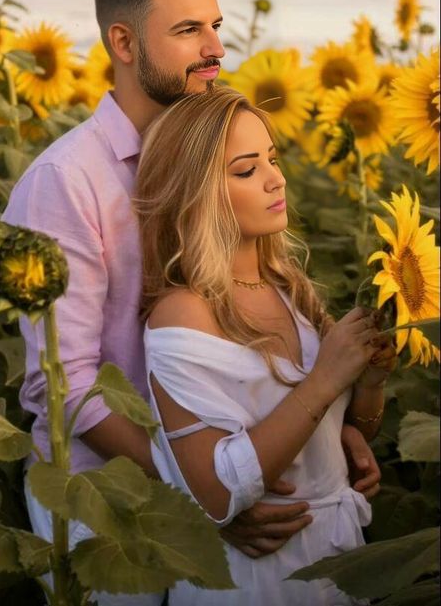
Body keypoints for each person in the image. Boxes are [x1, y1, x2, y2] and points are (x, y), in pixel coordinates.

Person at [2, 0, 382, 605]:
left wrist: (324, 435)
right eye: (187, 29)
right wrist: (207, 491)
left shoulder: (220, 147)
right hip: (116, 509)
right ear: (123, 43)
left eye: (215, 25)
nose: (214, 47)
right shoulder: (67, 181)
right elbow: (65, 387)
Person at [135, 87, 397, 605]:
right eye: (246, 170)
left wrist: (367, 388)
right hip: (258, 578)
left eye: (273, 160)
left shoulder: (290, 287)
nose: (276, 179)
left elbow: (335, 432)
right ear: (197, 190)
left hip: (334, 558)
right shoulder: (184, 312)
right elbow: (217, 493)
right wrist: (325, 378)